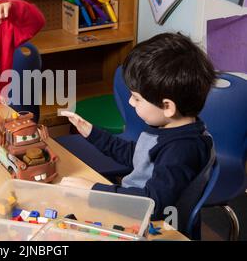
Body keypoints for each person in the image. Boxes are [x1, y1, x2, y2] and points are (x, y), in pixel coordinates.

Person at [61, 33, 216, 220]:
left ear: (167, 107)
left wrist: (95, 191)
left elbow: (154, 205)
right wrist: (92, 133)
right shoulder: (169, 128)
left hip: (150, 223)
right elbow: (138, 156)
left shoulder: (181, 150)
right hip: (132, 206)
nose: (131, 102)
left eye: (136, 98)